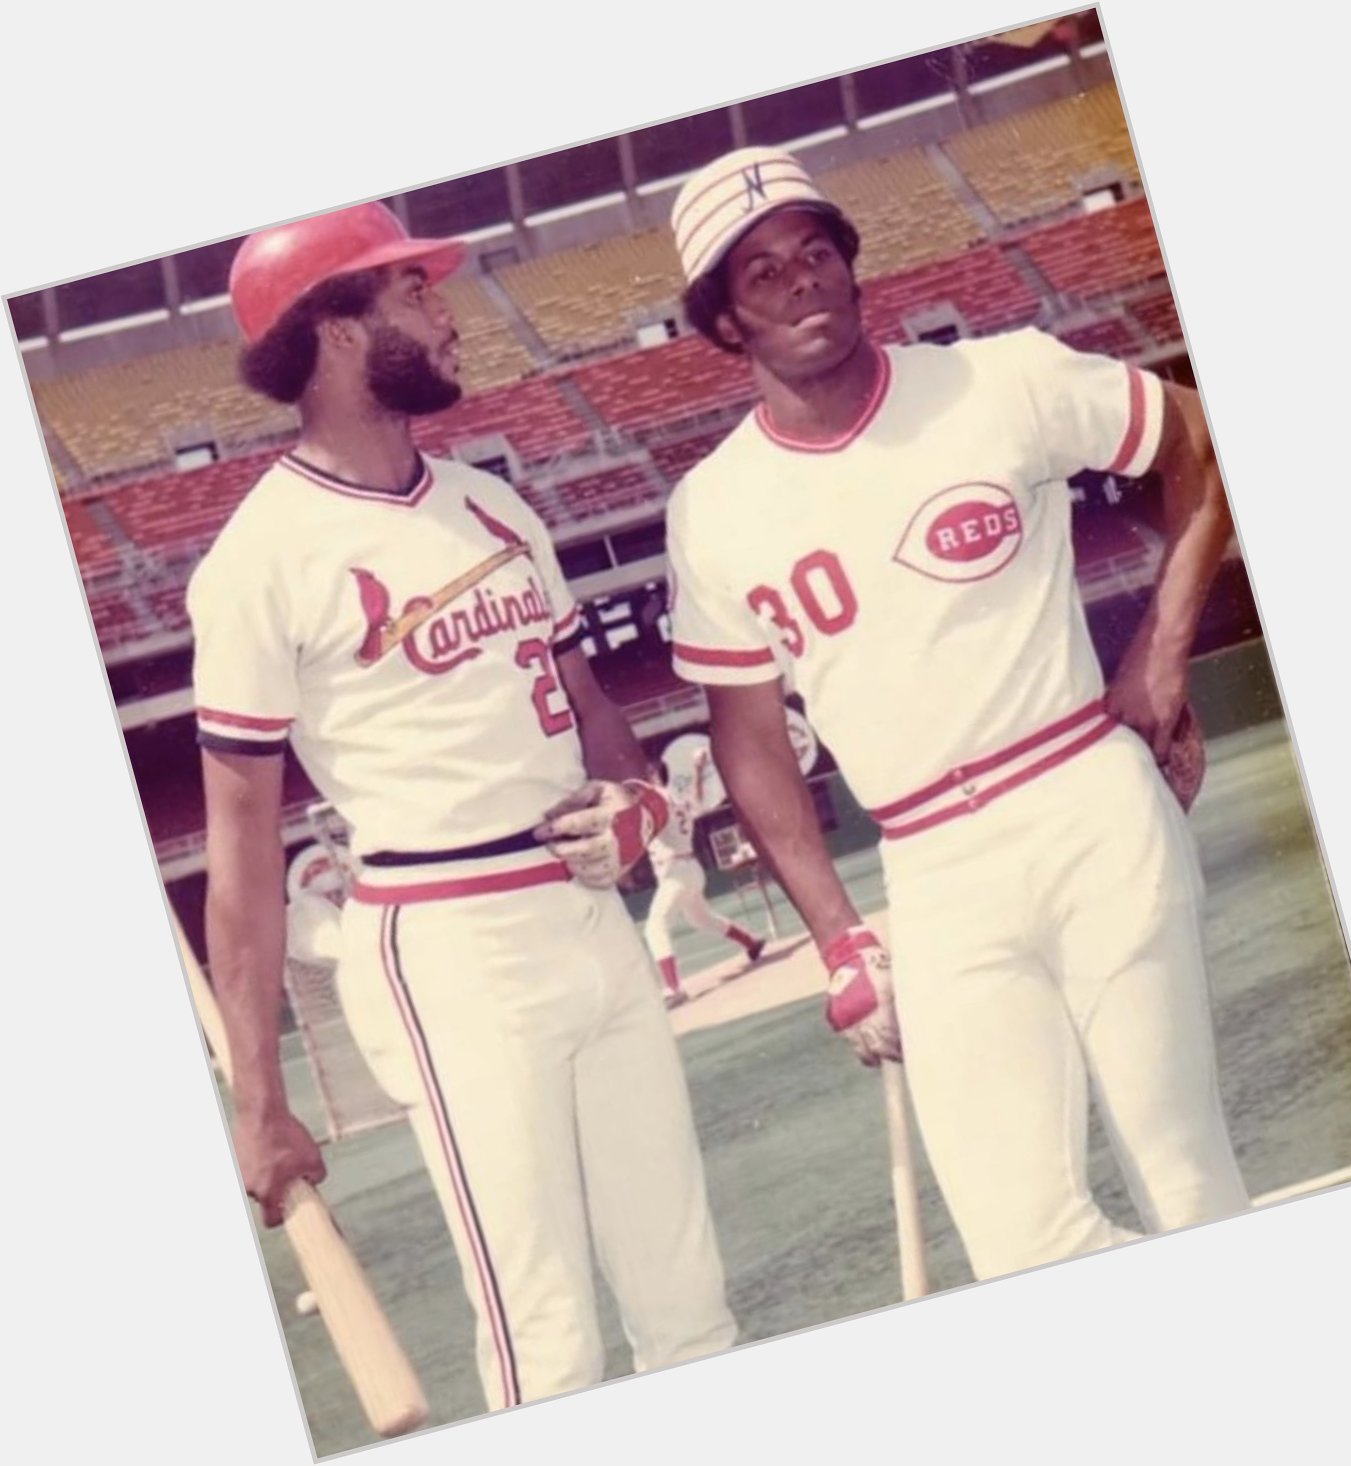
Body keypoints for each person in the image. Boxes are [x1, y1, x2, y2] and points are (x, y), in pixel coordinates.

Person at [663, 146, 1250, 1283]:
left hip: (1086, 797)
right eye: (762, 273)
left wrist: (1162, 658)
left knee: (1183, 1178)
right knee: (1020, 1240)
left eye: (815, 251)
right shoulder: (713, 507)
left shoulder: (1003, 379)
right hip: (929, 863)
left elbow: (1201, 439)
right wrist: (840, 933)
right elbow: (749, 744)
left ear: (850, 263)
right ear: (724, 322)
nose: (800, 281)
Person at [189, 201, 736, 1412]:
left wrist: (639, 796)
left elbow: (586, 698)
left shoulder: (493, 505)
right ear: (334, 330)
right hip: (450, 944)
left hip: (591, 915)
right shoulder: (258, 561)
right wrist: (259, 1103)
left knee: (691, 1307)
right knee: (548, 1348)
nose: (448, 310)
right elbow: (237, 861)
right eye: (412, 292)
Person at [643, 748, 765, 1008]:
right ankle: (751, 942)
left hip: (676, 871)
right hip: (690, 868)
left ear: (654, 774)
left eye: (647, 773)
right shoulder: (678, 799)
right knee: (701, 918)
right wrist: (697, 770)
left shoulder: (655, 801)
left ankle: (673, 988)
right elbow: (698, 801)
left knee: (655, 926)